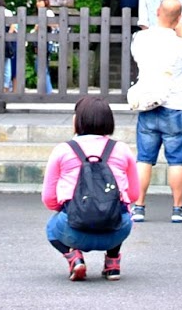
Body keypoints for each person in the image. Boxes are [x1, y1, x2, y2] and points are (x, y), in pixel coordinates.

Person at [41, 96, 139, 281]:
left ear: (77, 120)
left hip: (73, 230)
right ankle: (112, 263)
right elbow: (133, 194)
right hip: (116, 231)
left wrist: (71, 209)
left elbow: (49, 198)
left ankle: (74, 258)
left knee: (51, 228)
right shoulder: (122, 149)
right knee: (121, 212)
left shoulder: (62, 150)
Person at [128, 0, 182, 224]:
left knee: (144, 159)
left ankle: (139, 207)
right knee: (176, 160)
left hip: (149, 105)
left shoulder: (140, 38)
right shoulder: (180, 43)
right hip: (175, 107)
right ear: (179, 18)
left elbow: (138, 57)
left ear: (158, 11)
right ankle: (177, 209)